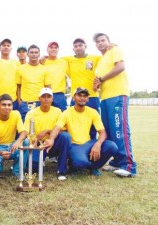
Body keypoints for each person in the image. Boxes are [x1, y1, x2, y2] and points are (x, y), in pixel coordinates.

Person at [44, 87, 118, 176]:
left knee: (112, 146)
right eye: (79, 95)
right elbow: (57, 128)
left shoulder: (93, 112)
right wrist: (51, 139)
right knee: (80, 162)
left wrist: (97, 144)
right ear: (73, 97)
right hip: (74, 146)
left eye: (85, 96)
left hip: (89, 143)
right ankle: (74, 165)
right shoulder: (67, 113)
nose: (82, 98)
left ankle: (93, 167)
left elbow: (102, 132)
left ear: (88, 99)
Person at [93, 33, 137, 177]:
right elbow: (100, 80)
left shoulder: (115, 50)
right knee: (110, 131)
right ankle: (117, 162)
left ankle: (129, 166)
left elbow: (121, 67)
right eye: (97, 41)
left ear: (108, 41)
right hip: (105, 98)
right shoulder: (101, 61)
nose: (100, 43)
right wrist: (97, 84)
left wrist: (101, 78)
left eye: (103, 40)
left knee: (120, 129)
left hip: (118, 95)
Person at [24, 87, 69, 180]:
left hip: (53, 143)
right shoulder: (31, 113)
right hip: (38, 144)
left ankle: (61, 170)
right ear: (39, 99)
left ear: (52, 99)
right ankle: (40, 162)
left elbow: (63, 129)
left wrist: (48, 131)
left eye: (49, 96)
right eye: (43, 96)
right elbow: (26, 131)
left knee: (65, 136)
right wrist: (33, 141)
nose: (46, 99)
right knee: (34, 168)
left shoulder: (58, 111)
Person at [63, 38, 101, 140]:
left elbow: (107, 60)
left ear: (86, 46)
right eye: (76, 46)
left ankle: (91, 148)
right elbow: (53, 60)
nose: (78, 47)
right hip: (76, 97)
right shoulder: (68, 60)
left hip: (92, 97)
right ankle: (73, 149)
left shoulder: (95, 58)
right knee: (73, 124)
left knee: (93, 125)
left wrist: (112, 47)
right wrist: (44, 57)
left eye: (80, 45)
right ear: (73, 49)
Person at [0, 94, 28, 177]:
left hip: (12, 146)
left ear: (12, 106)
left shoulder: (16, 114)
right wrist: (1, 153)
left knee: (26, 142)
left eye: (9, 105)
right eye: (4, 105)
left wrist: (18, 141)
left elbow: (23, 132)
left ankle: (17, 171)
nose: (7, 107)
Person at [16, 44, 51, 121]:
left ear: (39, 54)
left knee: (39, 126)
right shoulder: (20, 69)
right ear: (28, 54)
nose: (34, 54)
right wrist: (19, 101)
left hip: (40, 102)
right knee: (25, 128)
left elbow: (48, 88)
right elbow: (18, 86)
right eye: (31, 52)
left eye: (36, 52)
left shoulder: (45, 69)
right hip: (25, 103)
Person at [0, 39, 19, 114]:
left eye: (8, 45)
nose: (6, 47)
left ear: (11, 48)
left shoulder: (17, 63)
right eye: (4, 45)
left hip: (13, 99)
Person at [44, 41, 68, 111]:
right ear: (47, 50)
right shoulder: (42, 62)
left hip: (59, 95)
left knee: (62, 117)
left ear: (58, 50)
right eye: (51, 48)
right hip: (46, 94)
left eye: (55, 48)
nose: (53, 49)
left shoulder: (63, 62)